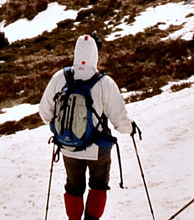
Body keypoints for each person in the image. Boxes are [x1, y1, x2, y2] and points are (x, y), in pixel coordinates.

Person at [38, 33, 136, 220]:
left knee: (73, 188)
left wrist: (58, 129)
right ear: (95, 54)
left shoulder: (61, 77)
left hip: (68, 146)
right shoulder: (104, 83)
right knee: (98, 185)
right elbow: (119, 121)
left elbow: (44, 110)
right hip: (97, 149)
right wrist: (130, 129)